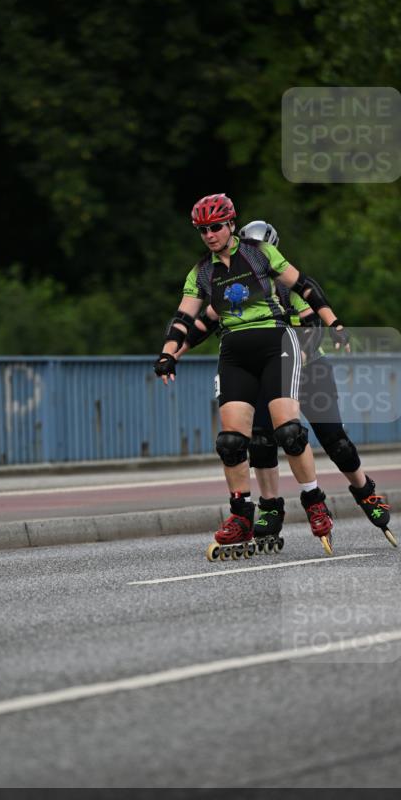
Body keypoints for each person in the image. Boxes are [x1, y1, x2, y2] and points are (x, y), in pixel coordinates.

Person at [153, 193, 342, 553]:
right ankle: (241, 514)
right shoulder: (202, 273)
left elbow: (303, 285)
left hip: (276, 342)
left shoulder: (259, 253)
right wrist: (167, 354)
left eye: (215, 227)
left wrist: (332, 322)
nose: (209, 235)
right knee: (231, 442)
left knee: (288, 432)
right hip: (234, 351)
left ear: (231, 225)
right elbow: (183, 320)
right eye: (202, 230)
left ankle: (314, 501)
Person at [238, 220, 396, 547]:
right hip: (270, 373)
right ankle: (269, 507)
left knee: (334, 440)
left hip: (310, 369)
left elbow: (311, 331)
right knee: (262, 439)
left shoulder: (288, 285)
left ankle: (365, 491)